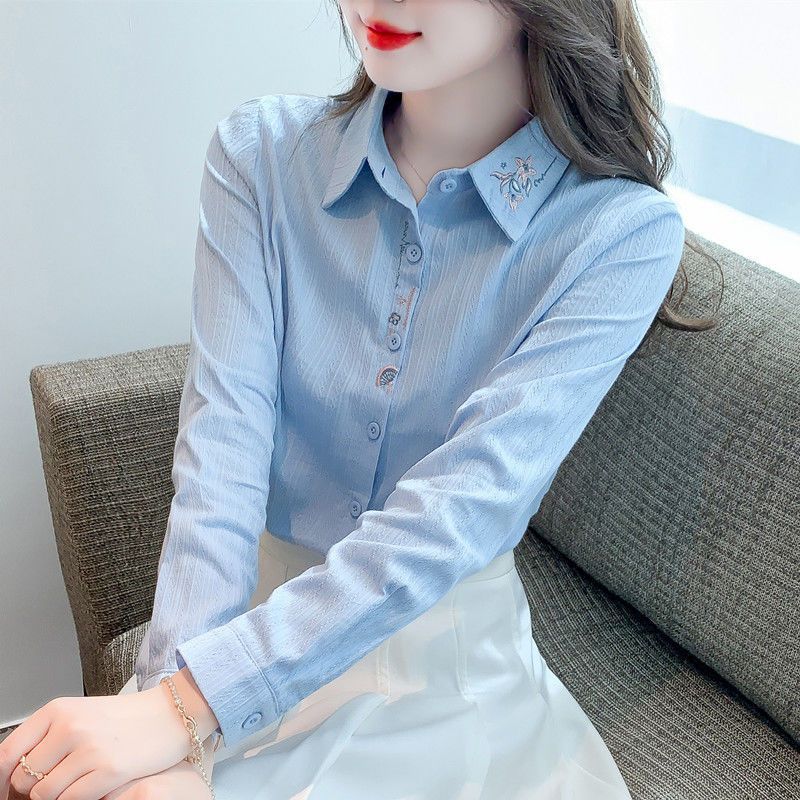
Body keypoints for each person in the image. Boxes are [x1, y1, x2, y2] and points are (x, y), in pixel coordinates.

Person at [1, 1, 710, 798]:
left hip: (440, 678)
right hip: (238, 632)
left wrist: (187, 708)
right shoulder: (261, 155)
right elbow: (219, 461)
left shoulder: (618, 232)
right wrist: (176, 717)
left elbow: (460, 511)